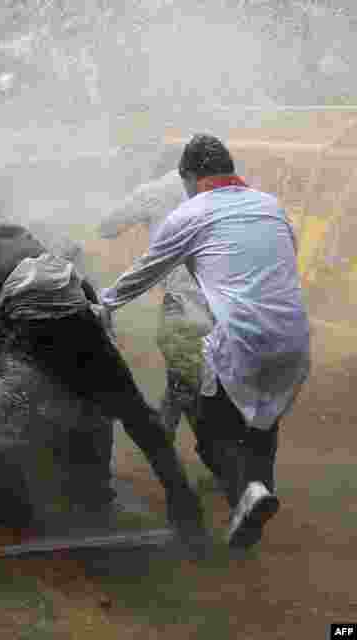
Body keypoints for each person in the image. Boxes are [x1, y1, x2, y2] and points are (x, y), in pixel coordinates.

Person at [0, 210, 209, 547]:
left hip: (37, 326)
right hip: (76, 314)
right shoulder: (13, 232)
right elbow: (65, 275)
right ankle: (180, 504)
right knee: (133, 414)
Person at [98, 134, 311, 549]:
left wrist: (106, 302)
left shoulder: (190, 212)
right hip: (294, 336)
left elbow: (149, 268)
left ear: (188, 178)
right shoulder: (272, 206)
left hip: (236, 335)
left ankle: (245, 495)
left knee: (214, 431)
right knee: (263, 419)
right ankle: (257, 494)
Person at [97, 148, 214, 437]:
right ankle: (168, 433)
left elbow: (107, 227)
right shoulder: (217, 192)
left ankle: (213, 456)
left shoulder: (152, 191)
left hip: (184, 301)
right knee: (189, 378)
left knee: (185, 379)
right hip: (226, 298)